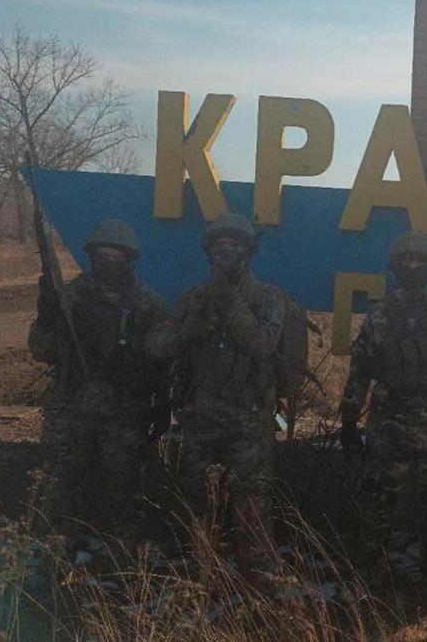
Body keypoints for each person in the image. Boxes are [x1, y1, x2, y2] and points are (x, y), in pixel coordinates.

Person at [146, 213, 286, 577]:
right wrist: (185, 333)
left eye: (233, 245)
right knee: (197, 500)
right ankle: (200, 575)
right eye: (218, 246)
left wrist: (229, 302)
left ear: (247, 253)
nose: (224, 252)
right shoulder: (193, 298)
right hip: (199, 418)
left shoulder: (268, 297)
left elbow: (262, 344)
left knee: (251, 504)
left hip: (249, 423)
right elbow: (155, 347)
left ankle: (259, 584)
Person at [28, 218, 171, 547]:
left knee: (124, 492)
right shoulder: (71, 297)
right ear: (91, 257)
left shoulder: (149, 304)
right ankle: (50, 554)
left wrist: (161, 408)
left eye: (116, 257)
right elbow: (42, 351)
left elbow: (163, 362)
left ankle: (122, 561)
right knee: (55, 489)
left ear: (129, 260)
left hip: (124, 414)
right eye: (102, 256)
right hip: (71, 409)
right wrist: (47, 317)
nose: (108, 263)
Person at [339, 232, 427, 598]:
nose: (412, 266)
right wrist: (348, 418)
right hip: (388, 423)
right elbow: (360, 369)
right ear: (395, 266)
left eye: (419, 261)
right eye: (405, 260)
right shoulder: (379, 315)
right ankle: (370, 576)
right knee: (377, 502)